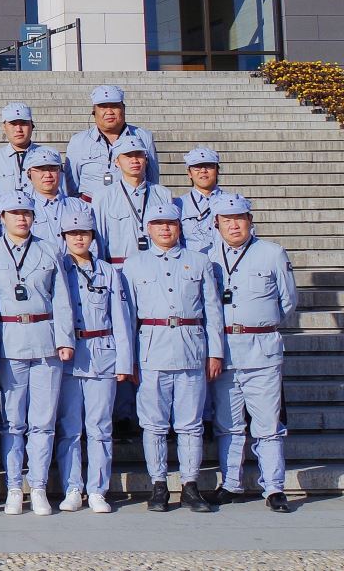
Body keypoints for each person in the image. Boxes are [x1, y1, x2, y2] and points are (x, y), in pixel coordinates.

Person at [123, 201, 223, 513]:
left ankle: (190, 485)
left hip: (191, 348)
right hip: (151, 350)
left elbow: (213, 311)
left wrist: (215, 352)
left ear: (179, 227)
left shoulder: (199, 261)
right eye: (158, 223)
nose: (165, 228)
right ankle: (159, 485)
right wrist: (129, 360)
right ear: (148, 229)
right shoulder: (134, 265)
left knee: (190, 424)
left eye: (170, 223)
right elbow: (127, 317)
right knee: (153, 424)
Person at [0, 191, 74, 516]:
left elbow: (61, 298)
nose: (21, 218)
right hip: (9, 341)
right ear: (2, 217)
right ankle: (13, 487)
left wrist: (65, 339)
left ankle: (38, 486)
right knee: (12, 421)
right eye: (15, 213)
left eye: (27, 213)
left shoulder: (49, 250)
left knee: (43, 422)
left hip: (45, 339)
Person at [206, 194, 295, 513]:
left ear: (250, 220)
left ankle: (274, 487)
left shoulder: (272, 253)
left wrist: (259, 324)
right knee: (227, 424)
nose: (234, 225)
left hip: (262, 350)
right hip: (224, 350)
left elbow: (288, 302)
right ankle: (231, 483)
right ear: (216, 224)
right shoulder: (207, 257)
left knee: (268, 425)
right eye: (226, 219)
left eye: (239, 218)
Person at [54, 205, 134, 514]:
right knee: (70, 427)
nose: (78, 239)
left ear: (92, 236)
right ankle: (73, 487)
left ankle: (98, 489)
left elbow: (121, 319)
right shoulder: (58, 268)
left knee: (100, 427)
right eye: (72, 233)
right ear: (63, 236)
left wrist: (124, 362)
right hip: (69, 357)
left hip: (102, 353)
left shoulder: (108, 271)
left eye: (84, 233)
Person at [90, 135, 174, 267]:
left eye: (139, 155)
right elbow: (99, 241)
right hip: (119, 269)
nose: (134, 160)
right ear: (117, 162)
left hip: (157, 266)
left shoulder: (163, 194)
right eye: (128, 156)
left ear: (146, 159)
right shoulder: (103, 196)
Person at [66, 85, 159, 199]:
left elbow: (152, 179)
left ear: (123, 108)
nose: (109, 112)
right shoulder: (78, 141)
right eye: (103, 107)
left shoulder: (143, 137)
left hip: (131, 205)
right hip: (90, 206)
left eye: (115, 106)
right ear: (94, 111)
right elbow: (71, 186)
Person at [177, 148, 231, 253]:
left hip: (226, 260)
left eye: (209, 166)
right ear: (189, 173)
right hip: (193, 261)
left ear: (217, 170)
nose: (203, 171)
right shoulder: (179, 204)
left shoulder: (232, 201)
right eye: (197, 167)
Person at [0, 103, 47, 195]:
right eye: (13, 124)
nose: (18, 129)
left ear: (32, 126)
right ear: (4, 127)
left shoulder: (48, 154)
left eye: (23, 123)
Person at [26, 148, 76, 244]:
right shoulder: (24, 209)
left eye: (53, 169)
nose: (48, 175)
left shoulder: (78, 206)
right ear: (29, 174)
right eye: (41, 169)